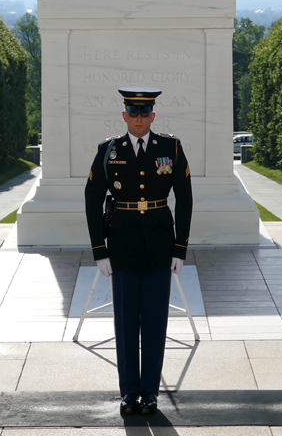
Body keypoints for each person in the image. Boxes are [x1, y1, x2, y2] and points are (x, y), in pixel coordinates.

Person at [84, 86, 193, 416]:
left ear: (153, 116)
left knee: (156, 323)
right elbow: (92, 199)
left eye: (145, 113)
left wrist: (180, 248)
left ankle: (150, 393)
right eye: (133, 113)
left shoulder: (170, 148)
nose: (139, 118)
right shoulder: (109, 150)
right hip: (123, 246)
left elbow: (185, 199)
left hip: (160, 245)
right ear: (124, 116)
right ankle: (129, 392)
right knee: (126, 323)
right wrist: (99, 250)